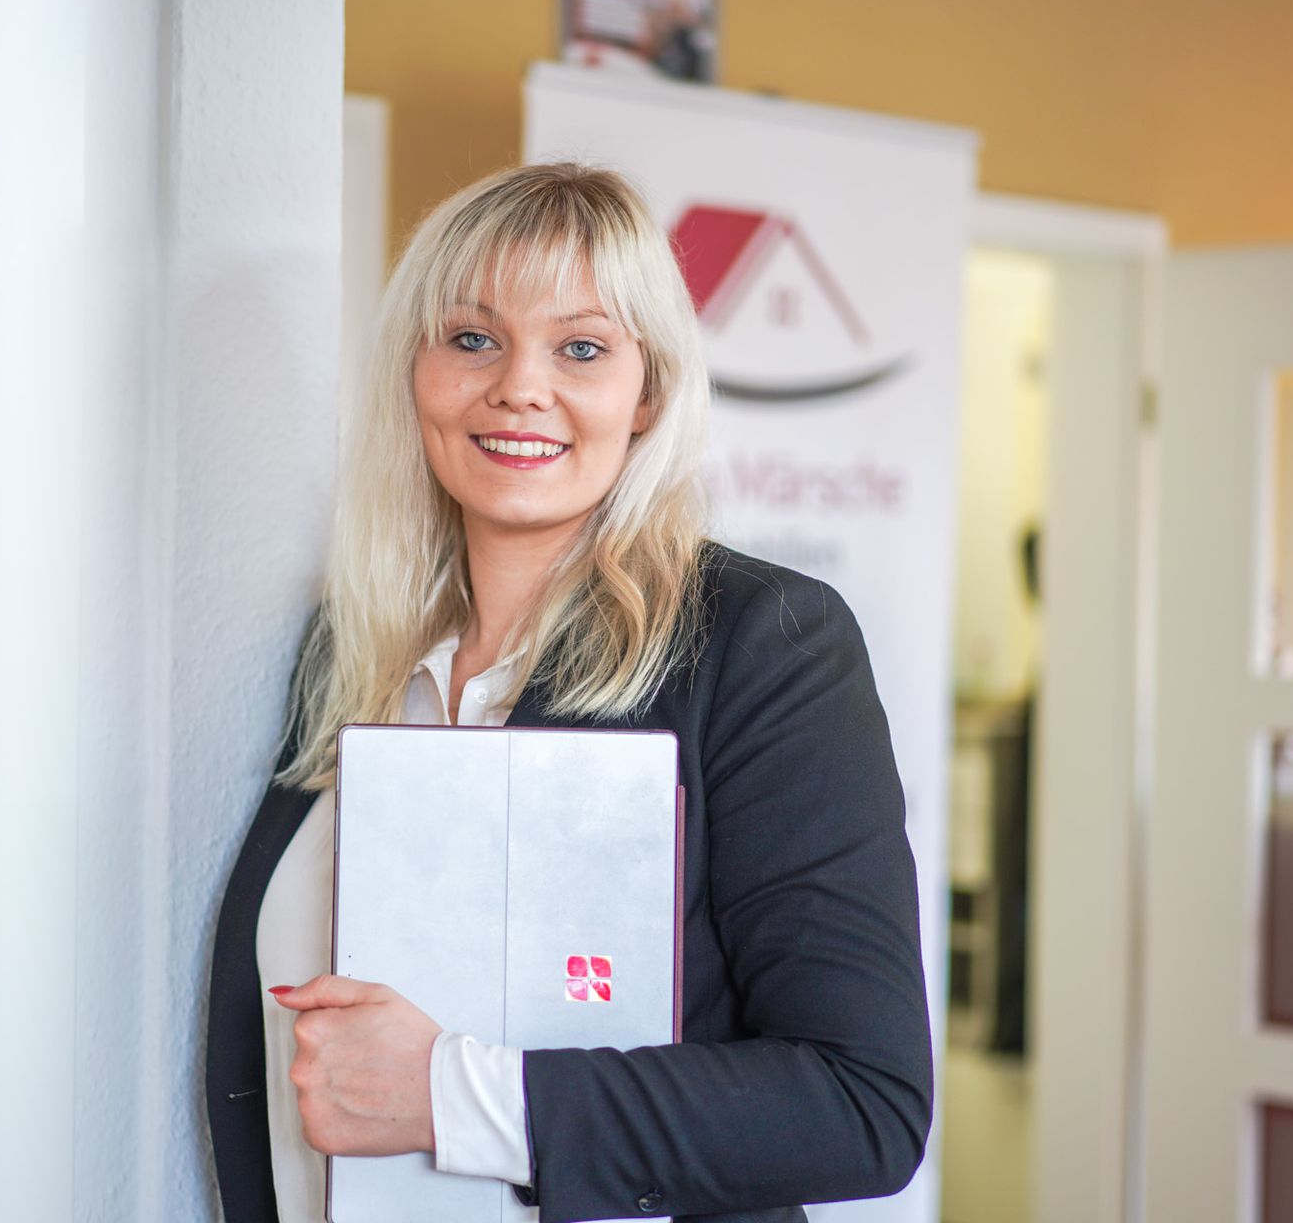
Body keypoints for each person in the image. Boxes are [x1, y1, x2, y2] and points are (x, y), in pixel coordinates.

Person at [205, 162, 930, 1223]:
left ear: (648, 394)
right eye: (471, 337)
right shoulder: (346, 648)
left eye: (581, 347)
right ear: (416, 368)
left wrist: (449, 1093)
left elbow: (862, 1102)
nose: (519, 386)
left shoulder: (760, 642)